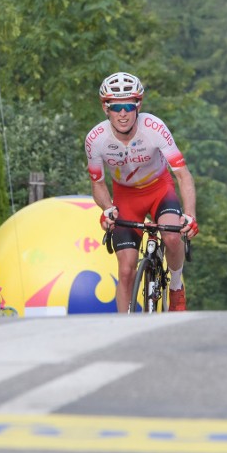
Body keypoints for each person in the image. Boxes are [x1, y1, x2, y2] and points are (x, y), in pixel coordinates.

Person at [85, 72, 198, 313]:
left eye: (128, 105)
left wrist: (189, 215)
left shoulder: (154, 128)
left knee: (171, 236)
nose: (123, 113)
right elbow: (98, 183)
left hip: (159, 189)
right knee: (126, 269)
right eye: (116, 107)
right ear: (105, 108)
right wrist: (107, 209)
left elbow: (183, 175)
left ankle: (176, 288)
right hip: (125, 196)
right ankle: (123, 326)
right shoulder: (96, 139)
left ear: (139, 105)